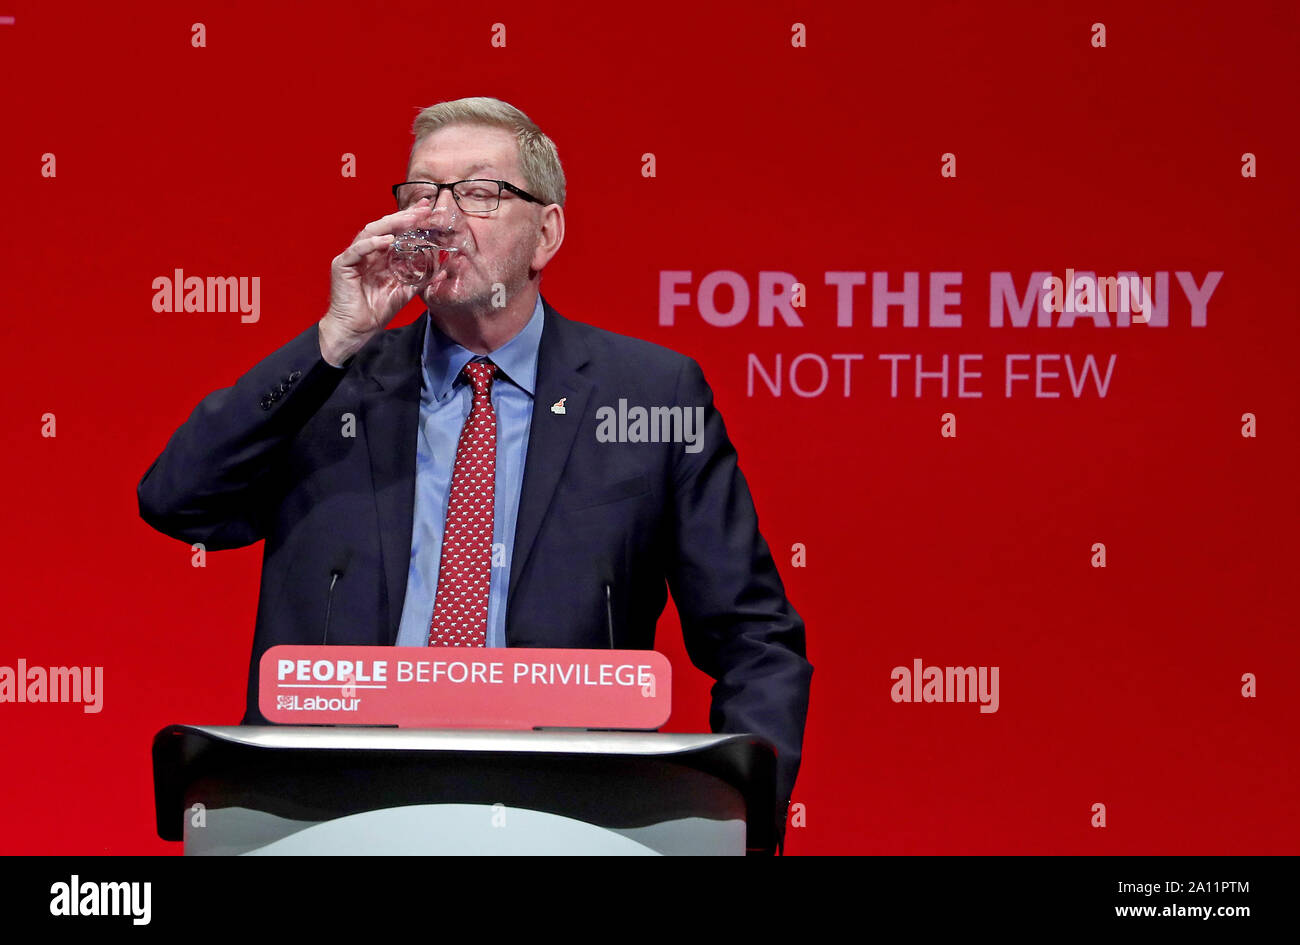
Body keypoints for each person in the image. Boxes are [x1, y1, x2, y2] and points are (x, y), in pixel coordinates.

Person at [138, 96, 812, 848]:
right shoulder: (337, 385)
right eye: (421, 192)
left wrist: (743, 821)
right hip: (328, 811)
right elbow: (177, 500)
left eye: (479, 193)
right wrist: (331, 340)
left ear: (545, 233)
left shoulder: (649, 395)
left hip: (568, 819)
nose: (439, 216)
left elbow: (754, 638)